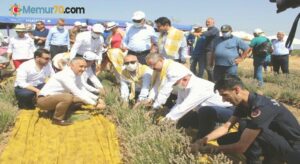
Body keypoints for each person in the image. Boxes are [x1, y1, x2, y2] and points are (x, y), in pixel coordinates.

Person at [191, 75, 300, 164]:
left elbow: (241, 147)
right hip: (276, 138)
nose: (224, 100)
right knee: (223, 139)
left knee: (246, 126)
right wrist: (202, 140)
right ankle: (268, 155)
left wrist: (211, 149)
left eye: (225, 95)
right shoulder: (245, 103)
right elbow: (226, 127)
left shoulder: (261, 108)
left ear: (237, 90)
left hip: (293, 149)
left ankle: (257, 160)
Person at [37, 57, 105, 126]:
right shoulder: (65, 75)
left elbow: (82, 89)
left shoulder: (77, 75)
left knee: (80, 100)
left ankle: (54, 111)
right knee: (68, 97)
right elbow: (77, 92)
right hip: (43, 100)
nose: (83, 69)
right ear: (71, 65)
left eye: (85, 67)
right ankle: (57, 119)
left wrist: (97, 99)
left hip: (54, 98)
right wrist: (95, 104)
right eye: (81, 66)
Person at [164, 72, 233, 138]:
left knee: (204, 111)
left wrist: (165, 121)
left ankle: (203, 136)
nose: (175, 86)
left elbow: (184, 107)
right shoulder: (182, 87)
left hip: (228, 110)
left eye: (175, 83)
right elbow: (178, 104)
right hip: (207, 111)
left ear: (184, 79)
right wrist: (168, 118)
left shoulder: (199, 86)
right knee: (184, 121)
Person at [202, 17, 220, 82]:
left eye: (208, 22)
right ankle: (211, 81)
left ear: (213, 23)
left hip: (211, 50)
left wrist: (200, 33)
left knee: (209, 67)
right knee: (207, 67)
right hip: (208, 50)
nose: (207, 23)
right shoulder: (209, 30)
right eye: (206, 22)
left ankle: (213, 82)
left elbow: (208, 34)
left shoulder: (214, 29)